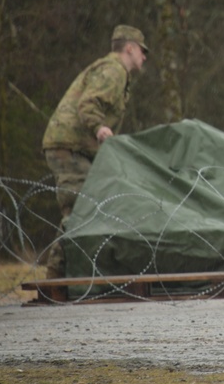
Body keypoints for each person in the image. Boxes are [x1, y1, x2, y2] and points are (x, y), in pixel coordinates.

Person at [40, 24, 149, 278]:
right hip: (70, 147)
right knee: (80, 209)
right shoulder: (114, 70)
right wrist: (100, 128)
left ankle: (65, 276)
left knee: (85, 208)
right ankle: (56, 278)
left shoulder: (113, 70)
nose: (144, 57)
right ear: (130, 48)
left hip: (73, 146)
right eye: (142, 51)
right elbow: (89, 103)